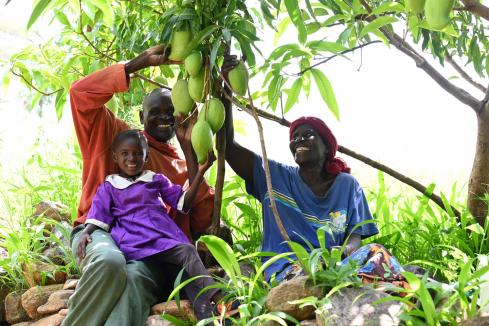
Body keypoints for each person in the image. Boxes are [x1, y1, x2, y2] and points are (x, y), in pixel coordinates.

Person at [63, 46, 214, 326]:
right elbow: (80, 94)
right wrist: (135, 64)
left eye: (172, 112)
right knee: (110, 262)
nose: (164, 117)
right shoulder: (117, 138)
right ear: (141, 116)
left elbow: (200, 215)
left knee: (133, 280)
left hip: (151, 254)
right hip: (98, 234)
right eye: (155, 112)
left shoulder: (178, 167)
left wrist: (189, 149)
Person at [221, 65, 405, 283]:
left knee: (376, 252)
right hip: (287, 268)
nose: (298, 140)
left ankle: (404, 290)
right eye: (294, 137)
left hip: (334, 264)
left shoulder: (347, 185)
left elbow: (355, 237)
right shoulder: (274, 176)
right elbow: (229, 147)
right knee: (309, 276)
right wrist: (226, 93)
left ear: (327, 147)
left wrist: (346, 250)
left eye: (307, 135)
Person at [76, 130, 220, 320]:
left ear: (146, 155)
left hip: (163, 239)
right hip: (136, 242)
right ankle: (218, 296)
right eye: (124, 154)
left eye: (137, 153)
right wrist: (85, 232)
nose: (131, 158)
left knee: (184, 263)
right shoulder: (110, 185)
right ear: (115, 157)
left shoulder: (154, 179)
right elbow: (99, 215)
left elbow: (183, 204)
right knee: (186, 253)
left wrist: (201, 171)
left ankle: (207, 315)